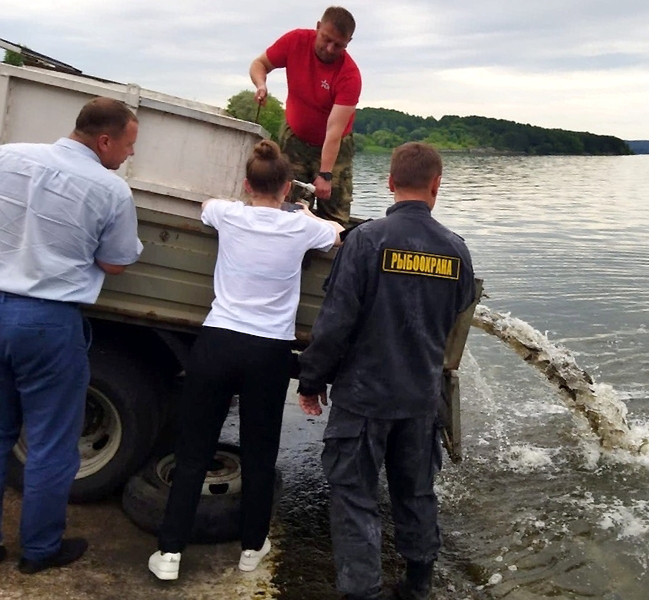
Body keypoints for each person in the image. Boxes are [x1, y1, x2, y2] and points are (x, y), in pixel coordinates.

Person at [148, 139, 344, 581]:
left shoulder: (228, 213)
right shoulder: (299, 228)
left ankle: (170, 553)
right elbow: (334, 233)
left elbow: (206, 206)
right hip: (268, 351)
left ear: (246, 184)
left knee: (194, 449)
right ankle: (251, 548)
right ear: (286, 189)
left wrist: (248, 200)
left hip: (217, 342)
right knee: (260, 453)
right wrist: (302, 210)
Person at [297, 142, 476, 600]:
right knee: (416, 493)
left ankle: (363, 592)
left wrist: (312, 380)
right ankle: (418, 585)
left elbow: (335, 323)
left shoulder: (366, 240)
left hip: (364, 397)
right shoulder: (456, 251)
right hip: (419, 398)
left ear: (390, 183)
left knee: (354, 497)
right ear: (437, 185)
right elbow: (456, 313)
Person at [0, 97, 143, 574]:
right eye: (128, 145)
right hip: (47, 321)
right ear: (105, 140)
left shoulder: (8, 156)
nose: (129, 155)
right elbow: (117, 262)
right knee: (50, 443)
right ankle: (39, 551)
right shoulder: (109, 190)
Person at [250, 6, 361, 225]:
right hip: (294, 139)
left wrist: (325, 175)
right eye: (326, 39)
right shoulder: (295, 41)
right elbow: (259, 64)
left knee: (334, 215)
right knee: (287, 206)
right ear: (318, 27)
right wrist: (261, 84)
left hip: (334, 148)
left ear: (348, 43)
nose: (329, 49)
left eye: (338, 45)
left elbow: (334, 131)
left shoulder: (349, 76)